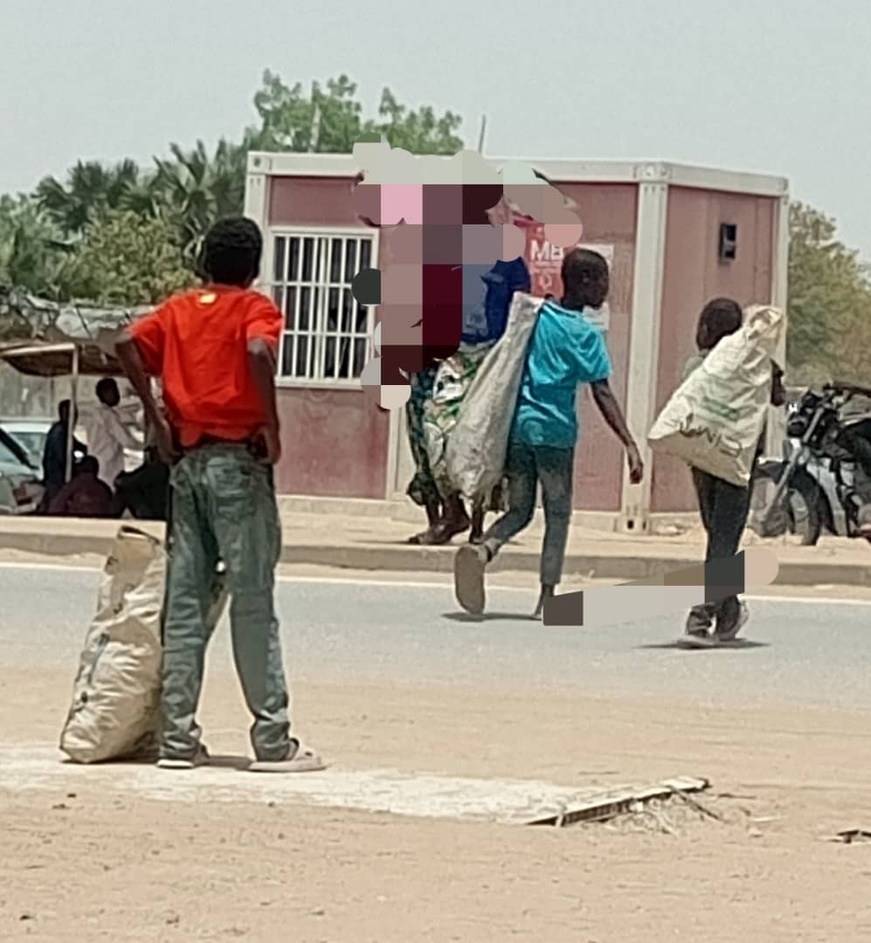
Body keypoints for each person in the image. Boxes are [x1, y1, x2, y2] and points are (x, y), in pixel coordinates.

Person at [114, 215, 323, 774]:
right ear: (253, 267)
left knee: (185, 603)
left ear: (204, 261)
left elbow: (126, 343)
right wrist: (271, 426)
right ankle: (272, 740)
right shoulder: (256, 309)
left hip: (187, 464)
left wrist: (156, 418)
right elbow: (257, 353)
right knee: (253, 601)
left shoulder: (178, 310)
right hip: (239, 462)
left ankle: (177, 740)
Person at [453, 248, 644, 618]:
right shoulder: (584, 335)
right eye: (602, 280)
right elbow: (602, 393)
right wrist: (629, 443)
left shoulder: (537, 316)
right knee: (557, 515)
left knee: (520, 510)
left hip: (520, 429)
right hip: (555, 434)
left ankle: (484, 548)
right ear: (585, 282)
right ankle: (547, 596)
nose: (606, 289)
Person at [682, 298, 786, 643]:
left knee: (719, 536)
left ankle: (710, 614)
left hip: (703, 461)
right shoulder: (756, 367)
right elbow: (779, 397)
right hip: (738, 462)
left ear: (705, 331)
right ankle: (719, 612)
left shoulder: (696, 365)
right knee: (723, 538)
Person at [81, 378, 143, 492]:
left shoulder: (92, 414)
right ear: (105, 393)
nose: (118, 395)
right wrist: (146, 446)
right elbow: (127, 441)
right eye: (114, 391)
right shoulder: (108, 416)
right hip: (110, 467)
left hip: (96, 466)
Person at [41, 400, 87, 510]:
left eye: (74, 414)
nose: (73, 418)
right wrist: (76, 465)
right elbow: (63, 457)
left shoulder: (63, 430)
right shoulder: (60, 432)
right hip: (57, 478)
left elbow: (78, 446)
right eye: (69, 414)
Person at [48, 455, 113, 518]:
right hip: (100, 523)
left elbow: (55, 508)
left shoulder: (74, 485)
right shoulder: (104, 489)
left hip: (75, 523)